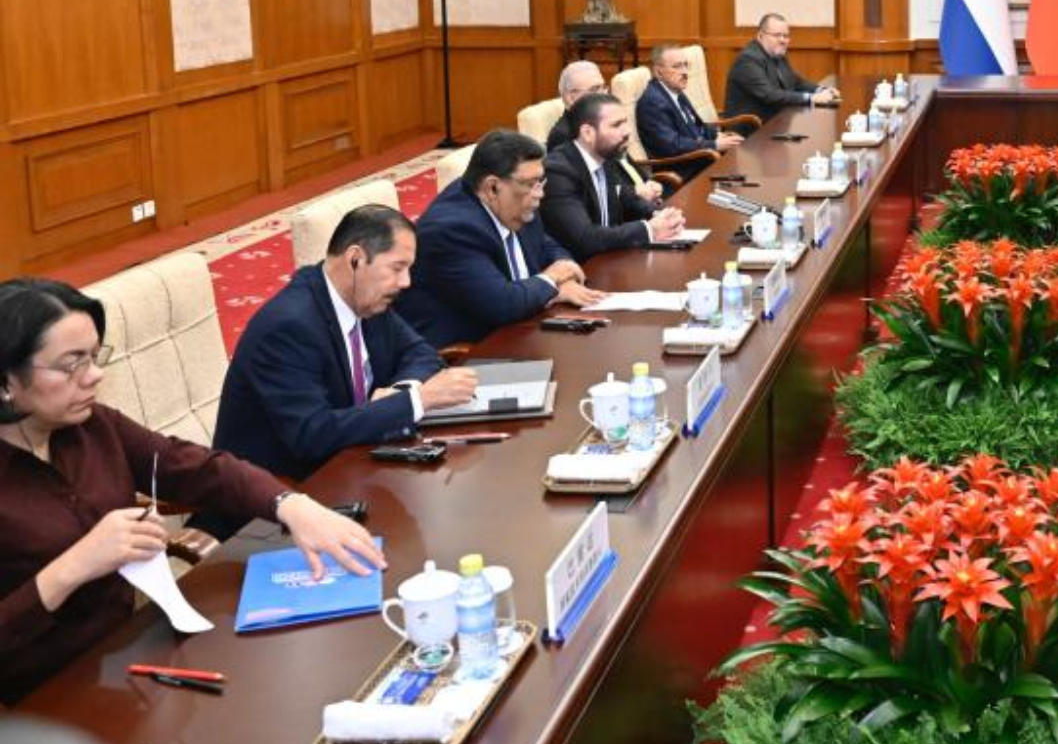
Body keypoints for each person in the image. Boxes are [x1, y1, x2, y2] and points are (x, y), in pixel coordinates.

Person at [0, 279, 381, 704]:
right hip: (42, 698)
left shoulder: (93, 426)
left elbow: (197, 468)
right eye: (72, 364)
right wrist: (74, 566)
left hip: (130, 654)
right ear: (6, 381)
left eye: (93, 356)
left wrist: (291, 505)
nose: (95, 375)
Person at [211, 205, 479, 481]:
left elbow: (420, 352)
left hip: (352, 466)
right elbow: (311, 435)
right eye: (397, 268)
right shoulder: (288, 327)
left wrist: (401, 391)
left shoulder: (366, 299)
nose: (406, 282)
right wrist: (417, 400)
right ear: (355, 260)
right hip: (281, 491)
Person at [397, 130, 607, 349]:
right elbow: (503, 304)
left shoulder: (514, 201)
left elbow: (546, 245)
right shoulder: (452, 231)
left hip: (522, 330)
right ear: (493, 187)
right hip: (471, 351)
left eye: (540, 181)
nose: (540, 193)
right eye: (531, 183)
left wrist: (565, 272)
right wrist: (552, 280)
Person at [542, 93, 688, 261]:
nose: (627, 131)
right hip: (580, 268)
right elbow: (585, 238)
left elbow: (620, 197)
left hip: (610, 258)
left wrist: (658, 214)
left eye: (625, 122)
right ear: (588, 133)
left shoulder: (604, 155)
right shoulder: (558, 172)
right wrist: (648, 229)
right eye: (616, 125)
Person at [636, 43, 744, 172]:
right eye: (677, 66)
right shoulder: (653, 102)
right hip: (683, 171)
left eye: (685, 65)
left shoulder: (674, 90)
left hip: (699, 158)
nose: (684, 72)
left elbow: (696, 125)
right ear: (658, 72)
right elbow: (672, 145)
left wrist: (717, 135)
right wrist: (714, 144)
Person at [723, 13, 837, 122]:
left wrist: (822, 90)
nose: (783, 40)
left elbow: (796, 82)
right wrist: (811, 98)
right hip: (751, 128)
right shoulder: (748, 60)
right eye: (777, 35)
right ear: (760, 36)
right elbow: (770, 95)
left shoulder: (777, 55)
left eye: (786, 36)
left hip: (774, 122)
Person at [542, 60, 606, 154]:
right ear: (571, 98)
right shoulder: (564, 137)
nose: (604, 95)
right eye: (595, 89)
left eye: (603, 87)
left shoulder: (604, 121)